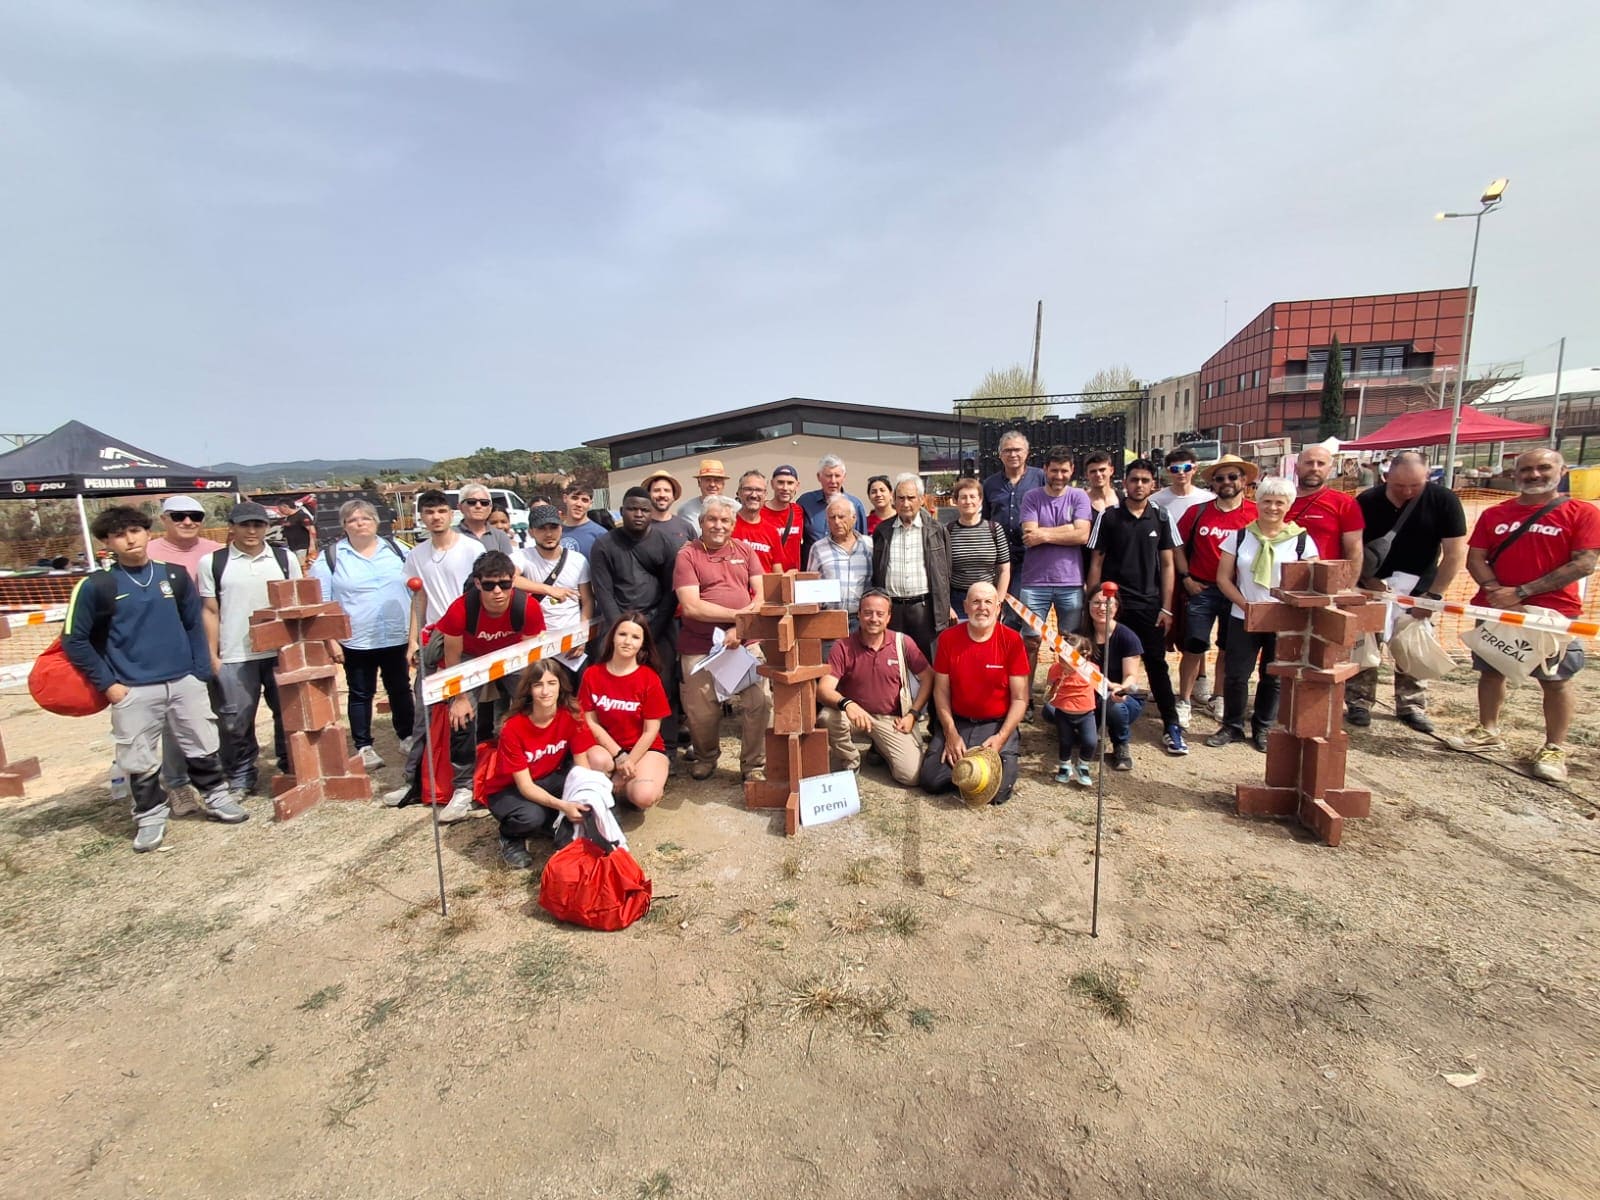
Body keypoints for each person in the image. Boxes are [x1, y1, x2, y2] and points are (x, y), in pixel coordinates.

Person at [63, 506, 248, 852]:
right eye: (119, 534)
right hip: (132, 687)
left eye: (136, 530)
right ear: (106, 542)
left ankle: (217, 798)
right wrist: (108, 685)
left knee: (203, 742)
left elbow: (193, 624)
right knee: (138, 756)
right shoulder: (96, 586)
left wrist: (198, 670)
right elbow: (74, 639)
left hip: (184, 681)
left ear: (149, 533)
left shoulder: (175, 576)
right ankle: (149, 818)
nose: (130, 539)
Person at [1446, 449, 1600, 782]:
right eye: (1526, 469)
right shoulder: (1495, 514)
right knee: (1491, 671)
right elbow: (1476, 557)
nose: (1534, 475)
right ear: (1516, 474)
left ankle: (1554, 747)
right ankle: (1488, 730)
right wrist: (1496, 591)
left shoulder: (1581, 512)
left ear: (1561, 471)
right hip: (1495, 606)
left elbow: (1585, 562)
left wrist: (1521, 593)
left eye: (1543, 468)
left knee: (1555, 680)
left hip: (1552, 611)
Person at [1350, 450, 1468, 733]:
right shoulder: (1367, 501)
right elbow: (1353, 548)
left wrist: (1433, 596)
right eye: (1399, 486)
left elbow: (1454, 554)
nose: (1406, 492)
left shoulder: (1444, 501)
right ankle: (1358, 701)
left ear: (1428, 477)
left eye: (1414, 486)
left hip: (1420, 589)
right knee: (1364, 646)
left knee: (1412, 646)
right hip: (1374, 587)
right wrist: (1365, 580)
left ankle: (1411, 705)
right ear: (1386, 476)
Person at [386, 488, 486, 807]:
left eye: (441, 511)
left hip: (467, 642)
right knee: (423, 714)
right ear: (422, 517)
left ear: (452, 513)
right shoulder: (417, 555)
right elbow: (420, 597)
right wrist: (412, 639)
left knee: (463, 714)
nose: (436, 517)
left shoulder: (472, 549)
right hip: (433, 640)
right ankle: (414, 781)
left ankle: (463, 787)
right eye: (429, 512)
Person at [431, 550, 547, 822]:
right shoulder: (461, 609)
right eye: (490, 585)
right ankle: (463, 787)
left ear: (513, 582)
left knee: (535, 700)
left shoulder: (527, 606)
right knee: (461, 716)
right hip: (470, 658)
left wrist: (525, 697)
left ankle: (534, 768)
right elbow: (453, 657)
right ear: (477, 583)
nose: (498, 591)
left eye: (505, 584)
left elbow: (530, 657)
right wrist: (458, 697)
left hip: (511, 654)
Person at [1205, 476, 1317, 751]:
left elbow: (1311, 579)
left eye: (1280, 502)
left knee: (1273, 676)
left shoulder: (1301, 540)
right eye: (1267, 501)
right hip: (1243, 614)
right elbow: (1223, 578)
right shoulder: (1240, 536)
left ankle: (1263, 727)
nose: (1273, 508)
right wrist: (1245, 605)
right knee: (1236, 674)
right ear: (1258, 503)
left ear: (1288, 505)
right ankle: (1232, 725)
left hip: (1284, 619)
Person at [1086, 458, 1187, 755]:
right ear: (1125, 483)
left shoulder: (1162, 516)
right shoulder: (1109, 516)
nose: (1139, 485)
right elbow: (1097, 562)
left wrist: (1166, 607)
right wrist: (1092, 599)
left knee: (1156, 664)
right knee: (1101, 659)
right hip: (1112, 603)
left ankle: (1171, 724)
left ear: (1153, 484)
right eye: (1134, 480)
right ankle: (1096, 722)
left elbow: (1168, 564)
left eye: (1145, 480)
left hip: (1148, 604)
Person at [200, 500, 301, 793]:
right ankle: (242, 773)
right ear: (232, 528)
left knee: (287, 714)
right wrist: (213, 655)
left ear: (267, 527)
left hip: (280, 652)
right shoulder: (214, 563)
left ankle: (290, 765)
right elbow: (209, 610)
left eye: (258, 525)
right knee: (235, 719)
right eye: (245, 525)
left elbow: (297, 604)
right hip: (235, 654)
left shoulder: (284, 559)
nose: (252, 531)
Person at [309, 499, 415, 772]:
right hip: (357, 639)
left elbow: (416, 589)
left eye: (366, 519)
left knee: (400, 688)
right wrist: (330, 640)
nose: (360, 524)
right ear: (344, 525)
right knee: (360, 693)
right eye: (353, 520)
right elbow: (321, 602)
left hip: (396, 634)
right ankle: (364, 745)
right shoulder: (331, 557)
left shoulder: (397, 550)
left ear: (376, 522)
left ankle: (406, 735)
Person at [673, 495, 772, 782]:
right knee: (701, 711)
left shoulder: (745, 550)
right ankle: (706, 757)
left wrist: (739, 628)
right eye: (712, 520)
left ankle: (753, 765)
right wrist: (737, 616)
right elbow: (691, 605)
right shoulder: (687, 555)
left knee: (760, 702)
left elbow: (762, 594)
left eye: (725, 520)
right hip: (700, 644)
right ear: (701, 522)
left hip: (744, 642)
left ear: (733, 523)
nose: (719, 525)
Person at [479, 661, 612, 869]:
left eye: (552, 683)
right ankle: (510, 836)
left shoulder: (572, 714)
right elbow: (525, 786)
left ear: (561, 686)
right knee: (532, 816)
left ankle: (553, 825)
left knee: (585, 800)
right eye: (538, 685)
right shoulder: (513, 727)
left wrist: (585, 798)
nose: (546, 691)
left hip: (548, 777)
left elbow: (581, 767)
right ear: (529, 690)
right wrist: (563, 805)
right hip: (509, 788)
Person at [590, 487, 684, 751]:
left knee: (664, 685)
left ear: (651, 512)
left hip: (658, 623)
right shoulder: (604, 545)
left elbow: (671, 590)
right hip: (617, 623)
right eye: (633, 509)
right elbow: (603, 591)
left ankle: (666, 746)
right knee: (614, 686)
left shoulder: (664, 543)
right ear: (621, 511)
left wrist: (650, 631)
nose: (639, 514)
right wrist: (623, 632)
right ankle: (616, 745)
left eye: (644, 509)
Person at [146, 495, 224, 809]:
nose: (187, 522)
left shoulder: (215, 553)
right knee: (175, 721)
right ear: (163, 519)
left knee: (220, 713)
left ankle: (217, 777)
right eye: (178, 516)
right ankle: (177, 783)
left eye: (194, 516)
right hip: (171, 647)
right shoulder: (149, 552)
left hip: (215, 644)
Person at [920, 583, 1029, 805]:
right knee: (931, 781)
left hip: (996, 725)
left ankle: (989, 761)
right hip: (958, 722)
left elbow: (1020, 699)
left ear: (998, 608)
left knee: (996, 793)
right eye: (976, 602)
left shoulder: (1012, 640)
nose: (982, 607)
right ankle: (967, 770)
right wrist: (950, 732)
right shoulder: (949, 639)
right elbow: (940, 692)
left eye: (988, 602)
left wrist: (1000, 738)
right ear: (965, 606)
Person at [1174, 455, 1258, 725]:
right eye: (1220, 478)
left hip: (1238, 591)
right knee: (1194, 646)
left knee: (1227, 648)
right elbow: (1176, 545)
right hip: (1202, 589)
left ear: (1243, 481)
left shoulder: (1255, 514)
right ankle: (1184, 700)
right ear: (1213, 483)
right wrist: (1185, 577)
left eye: (1233, 477)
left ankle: (1218, 697)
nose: (1227, 482)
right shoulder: (1198, 512)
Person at [817, 589, 932, 785]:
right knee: (827, 717)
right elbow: (823, 689)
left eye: (880, 614)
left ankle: (880, 747)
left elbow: (928, 677)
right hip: (854, 715)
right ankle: (851, 760)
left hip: (891, 718)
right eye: (868, 613)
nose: (873, 619)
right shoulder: (843, 646)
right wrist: (847, 704)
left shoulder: (902, 642)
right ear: (859, 614)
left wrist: (913, 713)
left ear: (888, 617)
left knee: (911, 777)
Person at [1018, 446, 1093, 712]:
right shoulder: (1031, 497)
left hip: (1070, 582)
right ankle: (1024, 700)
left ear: (1072, 470)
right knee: (1030, 643)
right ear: (1045, 470)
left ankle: (1064, 699)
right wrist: (1068, 529)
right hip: (1034, 582)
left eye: (1064, 470)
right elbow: (1029, 534)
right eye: (1054, 470)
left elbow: (1082, 535)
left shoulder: (1080, 497)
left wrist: (1045, 535)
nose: (1059, 475)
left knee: (1068, 644)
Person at [579, 613, 671, 811]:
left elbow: (651, 730)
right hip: (608, 749)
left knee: (643, 796)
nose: (628, 641)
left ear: (643, 644)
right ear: (612, 636)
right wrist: (619, 756)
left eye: (636, 637)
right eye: (622, 634)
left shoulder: (649, 678)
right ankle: (613, 783)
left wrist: (628, 763)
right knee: (595, 759)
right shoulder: (592, 674)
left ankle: (638, 783)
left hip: (644, 749)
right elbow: (590, 720)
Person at [870, 473, 953, 663]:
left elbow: (946, 571)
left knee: (928, 662)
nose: (905, 504)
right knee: (893, 662)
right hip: (893, 610)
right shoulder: (882, 531)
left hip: (924, 610)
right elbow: (877, 570)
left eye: (911, 498)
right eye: (901, 498)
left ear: (922, 500)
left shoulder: (936, 530)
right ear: (894, 499)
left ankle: (928, 695)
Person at [523, 503, 593, 683]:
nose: (549, 534)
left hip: (571, 646)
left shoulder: (578, 560)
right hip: (537, 646)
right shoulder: (522, 557)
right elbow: (508, 578)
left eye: (553, 527)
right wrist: (548, 589)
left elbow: (587, 601)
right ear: (531, 532)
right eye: (542, 528)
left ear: (561, 528)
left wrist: (581, 636)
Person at [1086, 585, 1147, 771]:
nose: (1102, 608)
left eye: (1107, 603)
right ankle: (1089, 733)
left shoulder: (1127, 637)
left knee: (1114, 705)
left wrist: (1120, 688)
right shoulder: (1080, 634)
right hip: (1089, 694)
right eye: (1096, 602)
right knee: (1051, 710)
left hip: (1120, 697)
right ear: (1088, 605)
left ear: (1117, 606)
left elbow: (1131, 676)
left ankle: (1120, 744)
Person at [1286, 445, 1364, 581]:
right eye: (1309, 463)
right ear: (1297, 467)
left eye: (1320, 464)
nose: (1314, 468)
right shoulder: (1278, 501)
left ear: (1329, 470)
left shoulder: (1345, 503)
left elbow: (1354, 551)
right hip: (1279, 582)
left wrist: (1348, 587)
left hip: (1324, 584)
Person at [807, 494, 874, 633]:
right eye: (832, 517)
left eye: (841, 517)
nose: (837, 522)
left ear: (854, 518)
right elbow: (811, 587)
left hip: (863, 622)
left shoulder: (869, 546)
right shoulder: (818, 548)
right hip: (829, 620)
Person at [946, 476, 1011, 614]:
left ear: (980, 500)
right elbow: (942, 573)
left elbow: (1004, 570)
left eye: (972, 496)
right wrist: (947, 605)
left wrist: (999, 600)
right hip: (958, 599)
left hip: (987, 598)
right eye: (963, 497)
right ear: (956, 501)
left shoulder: (994, 529)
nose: (968, 501)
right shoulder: (947, 531)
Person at [1043, 632, 1097, 786]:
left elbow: (1103, 686)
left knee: (1091, 741)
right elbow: (1049, 687)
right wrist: (1052, 689)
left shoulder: (1091, 670)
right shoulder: (1056, 669)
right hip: (1063, 713)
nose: (1063, 661)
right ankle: (1065, 766)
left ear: (1083, 657)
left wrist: (1114, 690)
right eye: (1061, 657)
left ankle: (1083, 765)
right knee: (1065, 741)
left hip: (1086, 714)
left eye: (1068, 659)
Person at [797, 453, 867, 562]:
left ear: (844, 477)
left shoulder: (855, 505)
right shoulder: (805, 502)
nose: (833, 481)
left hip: (847, 569)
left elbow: (863, 542)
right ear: (819, 477)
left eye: (837, 476)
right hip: (813, 570)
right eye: (828, 476)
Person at [1151, 446, 1216, 540]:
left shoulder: (1209, 499)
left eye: (1186, 468)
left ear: (1194, 469)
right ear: (1168, 471)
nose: (1181, 472)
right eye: (1175, 469)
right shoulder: (1155, 501)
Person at [732, 470, 784, 572]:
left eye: (759, 490)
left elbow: (777, 573)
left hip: (764, 588)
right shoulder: (726, 526)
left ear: (765, 494)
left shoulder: (772, 531)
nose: (754, 495)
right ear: (739, 492)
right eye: (748, 489)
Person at [641, 468, 697, 552]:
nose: (662, 495)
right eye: (656, 490)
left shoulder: (686, 527)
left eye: (667, 490)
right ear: (648, 495)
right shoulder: (640, 527)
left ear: (673, 496)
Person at [456, 483, 519, 558]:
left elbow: (508, 567)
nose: (478, 506)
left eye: (484, 503)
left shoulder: (500, 536)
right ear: (460, 507)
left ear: (490, 508)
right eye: (472, 502)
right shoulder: (451, 535)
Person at [764, 464, 806, 572]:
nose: (785, 488)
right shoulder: (759, 512)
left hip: (793, 580)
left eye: (790, 483)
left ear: (797, 485)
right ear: (772, 484)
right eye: (780, 482)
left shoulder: (799, 511)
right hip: (766, 580)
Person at [677, 459, 730, 533]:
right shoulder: (685, 510)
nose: (712, 484)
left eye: (717, 480)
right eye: (708, 480)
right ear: (699, 483)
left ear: (723, 484)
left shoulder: (734, 508)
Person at [558, 482, 606, 558]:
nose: (579, 504)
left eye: (584, 500)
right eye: (574, 498)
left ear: (590, 504)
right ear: (565, 498)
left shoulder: (600, 534)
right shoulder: (556, 531)